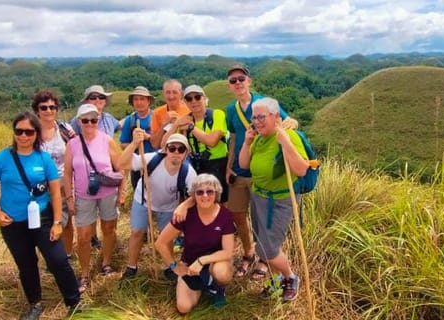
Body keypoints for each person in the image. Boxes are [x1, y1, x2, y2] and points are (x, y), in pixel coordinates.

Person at [0, 112, 81, 319]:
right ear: (14, 132)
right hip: (13, 223)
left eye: (29, 132)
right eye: (19, 131)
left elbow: (54, 192)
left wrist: (58, 222)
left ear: (36, 134)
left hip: (43, 219)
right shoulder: (2, 158)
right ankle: (35, 304)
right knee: (26, 264)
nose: (23, 136)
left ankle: (74, 303)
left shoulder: (43, 159)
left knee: (58, 260)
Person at [224, 64, 297, 279]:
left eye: (241, 78)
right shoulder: (231, 109)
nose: (237, 83)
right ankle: (249, 252)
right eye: (233, 80)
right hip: (239, 169)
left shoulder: (262, 104)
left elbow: (287, 121)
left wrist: (290, 128)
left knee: (262, 218)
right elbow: (234, 137)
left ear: (249, 81)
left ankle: (265, 258)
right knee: (239, 214)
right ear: (229, 86)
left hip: (261, 172)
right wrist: (229, 164)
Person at [237, 97, 308, 302]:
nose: (257, 122)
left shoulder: (289, 136)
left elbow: (301, 169)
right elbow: (244, 164)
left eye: (261, 117)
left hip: (279, 201)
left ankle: (290, 277)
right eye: (254, 118)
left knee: (268, 249)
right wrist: (247, 141)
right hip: (258, 196)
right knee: (262, 242)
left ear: (275, 117)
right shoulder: (259, 138)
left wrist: (285, 141)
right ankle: (276, 278)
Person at [118, 131, 197, 278]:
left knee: (167, 237)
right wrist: (134, 143)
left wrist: (184, 205)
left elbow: (196, 195)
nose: (176, 152)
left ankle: (169, 267)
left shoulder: (188, 171)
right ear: (166, 150)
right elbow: (121, 164)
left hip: (168, 206)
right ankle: (131, 267)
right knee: (137, 233)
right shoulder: (151, 159)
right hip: (143, 201)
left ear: (186, 153)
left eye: (181, 149)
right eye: (172, 148)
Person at [63, 104, 124, 293]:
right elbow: (67, 173)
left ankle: (106, 263)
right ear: (79, 122)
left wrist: (122, 193)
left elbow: (120, 167)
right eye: (85, 120)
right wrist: (69, 198)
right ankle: (84, 273)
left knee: (108, 228)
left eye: (93, 120)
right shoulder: (72, 144)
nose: (90, 123)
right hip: (83, 196)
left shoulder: (107, 140)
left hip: (107, 193)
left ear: (98, 121)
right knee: (83, 236)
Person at [158, 174, 234, 314]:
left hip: (215, 262)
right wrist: (174, 266)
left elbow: (228, 252)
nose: (205, 196)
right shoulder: (185, 215)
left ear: (216, 193)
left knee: (221, 272)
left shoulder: (225, 215)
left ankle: (218, 289)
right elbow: (161, 243)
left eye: (210, 191)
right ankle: (204, 286)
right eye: (200, 192)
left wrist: (201, 261)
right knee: (183, 307)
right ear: (193, 196)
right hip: (189, 266)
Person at [69, 84, 118, 249]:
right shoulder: (76, 125)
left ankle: (107, 253)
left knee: (109, 224)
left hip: (107, 177)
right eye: (93, 97)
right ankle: (93, 239)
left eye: (101, 97)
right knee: (86, 227)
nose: (98, 100)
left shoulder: (109, 119)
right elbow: (70, 141)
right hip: (85, 177)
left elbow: (120, 126)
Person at [164, 84, 230, 203]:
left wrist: (190, 127)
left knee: (219, 202)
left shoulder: (217, 115)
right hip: (195, 166)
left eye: (197, 97)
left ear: (205, 98)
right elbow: (164, 145)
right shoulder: (184, 119)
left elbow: (212, 141)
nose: (194, 101)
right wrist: (176, 124)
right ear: (185, 102)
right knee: (196, 201)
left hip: (217, 166)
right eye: (189, 99)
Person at [32, 90, 77, 258]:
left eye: (52, 107)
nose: (49, 111)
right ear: (37, 110)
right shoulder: (32, 132)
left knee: (65, 221)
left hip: (63, 180)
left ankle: (67, 254)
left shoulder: (65, 129)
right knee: (43, 221)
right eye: (44, 107)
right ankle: (50, 255)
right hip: (40, 183)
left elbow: (76, 150)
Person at [119, 86, 156, 190]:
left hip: (156, 162)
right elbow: (123, 144)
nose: (139, 102)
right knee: (139, 193)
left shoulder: (157, 117)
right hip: (137, 165)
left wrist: (148, 137)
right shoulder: (129, 120)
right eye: (136, 99)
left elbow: (163, 141)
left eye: (142, 99)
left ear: (148, 101)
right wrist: (135, 143)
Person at [149, 79, 191, 149]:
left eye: (175, 92)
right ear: (163, 94)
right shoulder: (157, 112)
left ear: (181, 93)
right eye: (168, 92)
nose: (171, 96)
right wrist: (164, 124)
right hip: (164, 152)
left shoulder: (189, 111)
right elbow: (154, 145)